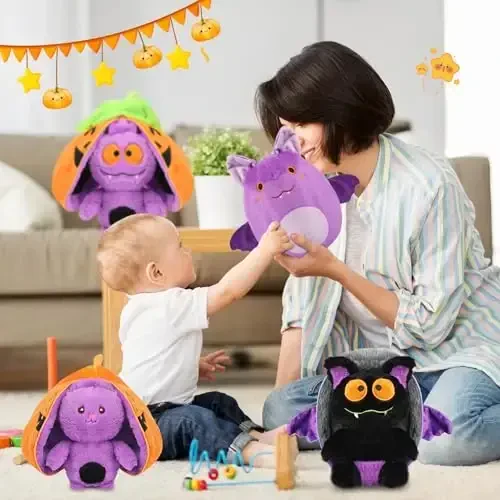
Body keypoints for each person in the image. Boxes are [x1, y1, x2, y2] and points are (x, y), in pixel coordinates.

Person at [255, 41, 500, 466]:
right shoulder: (308, 189)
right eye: (285, 127)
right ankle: (402, 419)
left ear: (341, 111)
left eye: (302, 123)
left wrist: (335, 270)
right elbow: (300, 308)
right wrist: (276, 419)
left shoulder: (428, 186)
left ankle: (400, 421)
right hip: (386, 371)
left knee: (449, 440)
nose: (292, 139)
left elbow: (430, 326)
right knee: (281, 410)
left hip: (459, 353)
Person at [97, 214, 297, 467]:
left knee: (217, 402)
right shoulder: (169, 304)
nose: (188, 251)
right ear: (156, 272)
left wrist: (191, 364)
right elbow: (227, 291)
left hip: (158, 411)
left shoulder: (140, 307)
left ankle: (257, 436)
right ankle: (251, 452)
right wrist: (264, 250)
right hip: (145, 426)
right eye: (180, 246)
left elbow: (152, 356)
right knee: (193, 420)